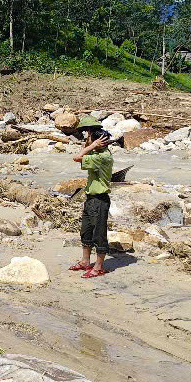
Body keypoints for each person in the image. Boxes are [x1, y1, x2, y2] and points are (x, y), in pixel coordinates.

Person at [69, 115, 113, 278]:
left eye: (90, 138)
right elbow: (82, 154)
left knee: (99, 234)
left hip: (100, 200)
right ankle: (85, 261)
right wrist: (91, 143)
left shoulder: (102, 157)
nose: (87, 140)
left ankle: (99, 267)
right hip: (91, 198)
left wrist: (92, 144)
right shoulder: (96, 153)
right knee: (86, 231)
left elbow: (76, 157)